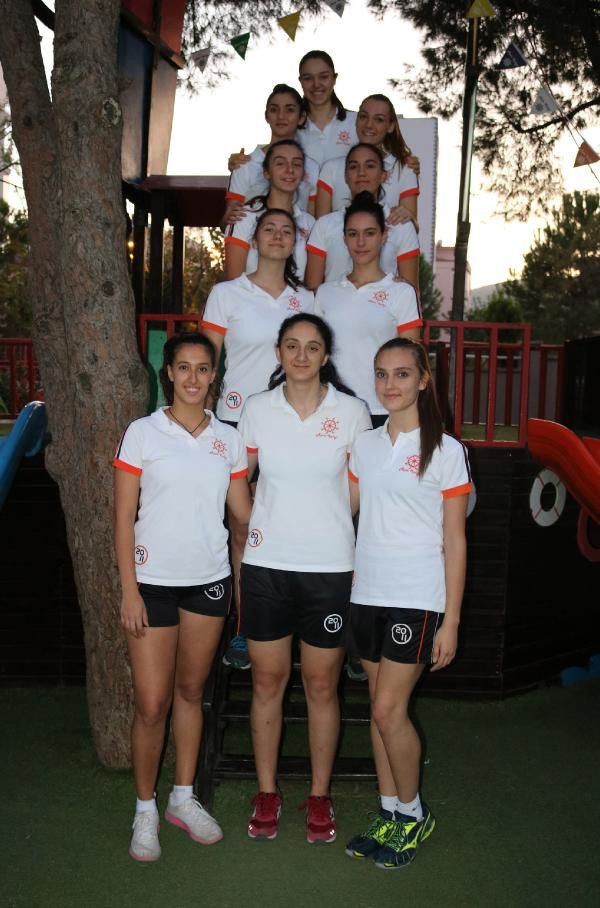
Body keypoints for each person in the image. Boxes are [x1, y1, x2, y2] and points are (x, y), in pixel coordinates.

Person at [113, 332, 252, 862]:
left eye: (203, 368)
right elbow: (122, 518)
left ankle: (182, 798)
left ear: (214, 375)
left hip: (209, 582)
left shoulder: (229, 440)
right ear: (168, 372)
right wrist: (129, 590)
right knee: (152, 704)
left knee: (191, 693)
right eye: (184, 367)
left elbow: (243, 513)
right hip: (151, 585)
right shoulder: (142, 433)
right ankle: (144, 809)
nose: (194, 378)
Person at [237, 313, 371, 844]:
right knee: (267, 682)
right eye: (291, 345)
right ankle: (267, 792)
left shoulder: (353, 412)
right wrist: (256, 524)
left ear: (326, 356)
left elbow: (359, 488)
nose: (301, 355)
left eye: (312, 347)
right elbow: (238, 478)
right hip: (266, 568)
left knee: (321, 685)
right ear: (278, 353)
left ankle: (319, 796)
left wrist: (328, 524)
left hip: (330, 569)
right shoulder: (256, 410)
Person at [345, 337, 472, 869]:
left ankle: (414, 815)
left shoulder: (447, 451)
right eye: (381, 373)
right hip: (366, 593)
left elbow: (456, 540)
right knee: (378, 713)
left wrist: (451, 621)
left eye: (401, 374)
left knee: (387, 710)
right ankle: (390, 811)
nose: (389, 384)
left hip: (417, 597)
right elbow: (344, 510)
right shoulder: (364, 446)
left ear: (423, 380)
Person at [202, 209, 315, 670]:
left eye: (286, 231)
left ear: (294, 242)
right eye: (269, 229)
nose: (277, 236)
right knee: (242, 528)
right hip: (235, 422)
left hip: (291, 423)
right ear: (254, 239)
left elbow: (316, 356)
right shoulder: (226, 294)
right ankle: (246, 628)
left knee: (293, 523)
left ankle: (297, 626)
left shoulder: (306, 298)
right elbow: (207, 359)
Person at [315, 192, 422, 425]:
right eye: (353, 234)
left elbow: (411, 359)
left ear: (384, 236)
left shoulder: (402, 292)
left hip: (382, 409)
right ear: (344, 238)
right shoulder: (325, 293)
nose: (361, 243)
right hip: (331, 408)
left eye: (370, 233)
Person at [305, 146, 420, 291]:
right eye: (354, 167)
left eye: (370, 166)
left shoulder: (401, 226)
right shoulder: (324, 225)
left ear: (383, 176)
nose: (361, 173)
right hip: (332, 306)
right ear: (346, 176)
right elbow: (312, 291)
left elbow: (411, 292)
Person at [315, 93, 419, 222]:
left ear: (391, 126)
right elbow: (320, 226)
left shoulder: (404, 169)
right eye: (363, 117)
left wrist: (408, 217)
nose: (369, 125)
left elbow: (412, 226)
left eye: (379, 119)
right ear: (356, 121)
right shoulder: (331, 168)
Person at [224, 83, 318, 220]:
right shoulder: (245, 165)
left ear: (302, 117)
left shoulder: (311, 167)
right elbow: (228, 222)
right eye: (274, 110)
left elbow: (311, 223)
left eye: (290, 110)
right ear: (266, 116)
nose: (281, 116)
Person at [224, 140, 315, 282]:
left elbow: (311, 283)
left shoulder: (309, 223)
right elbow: (233, 283)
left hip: (295, 297)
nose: (290, 170)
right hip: (248, 297)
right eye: (280, 163)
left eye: (297, 164)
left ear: (303, 173)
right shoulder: (243, 216)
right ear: (266, 172)